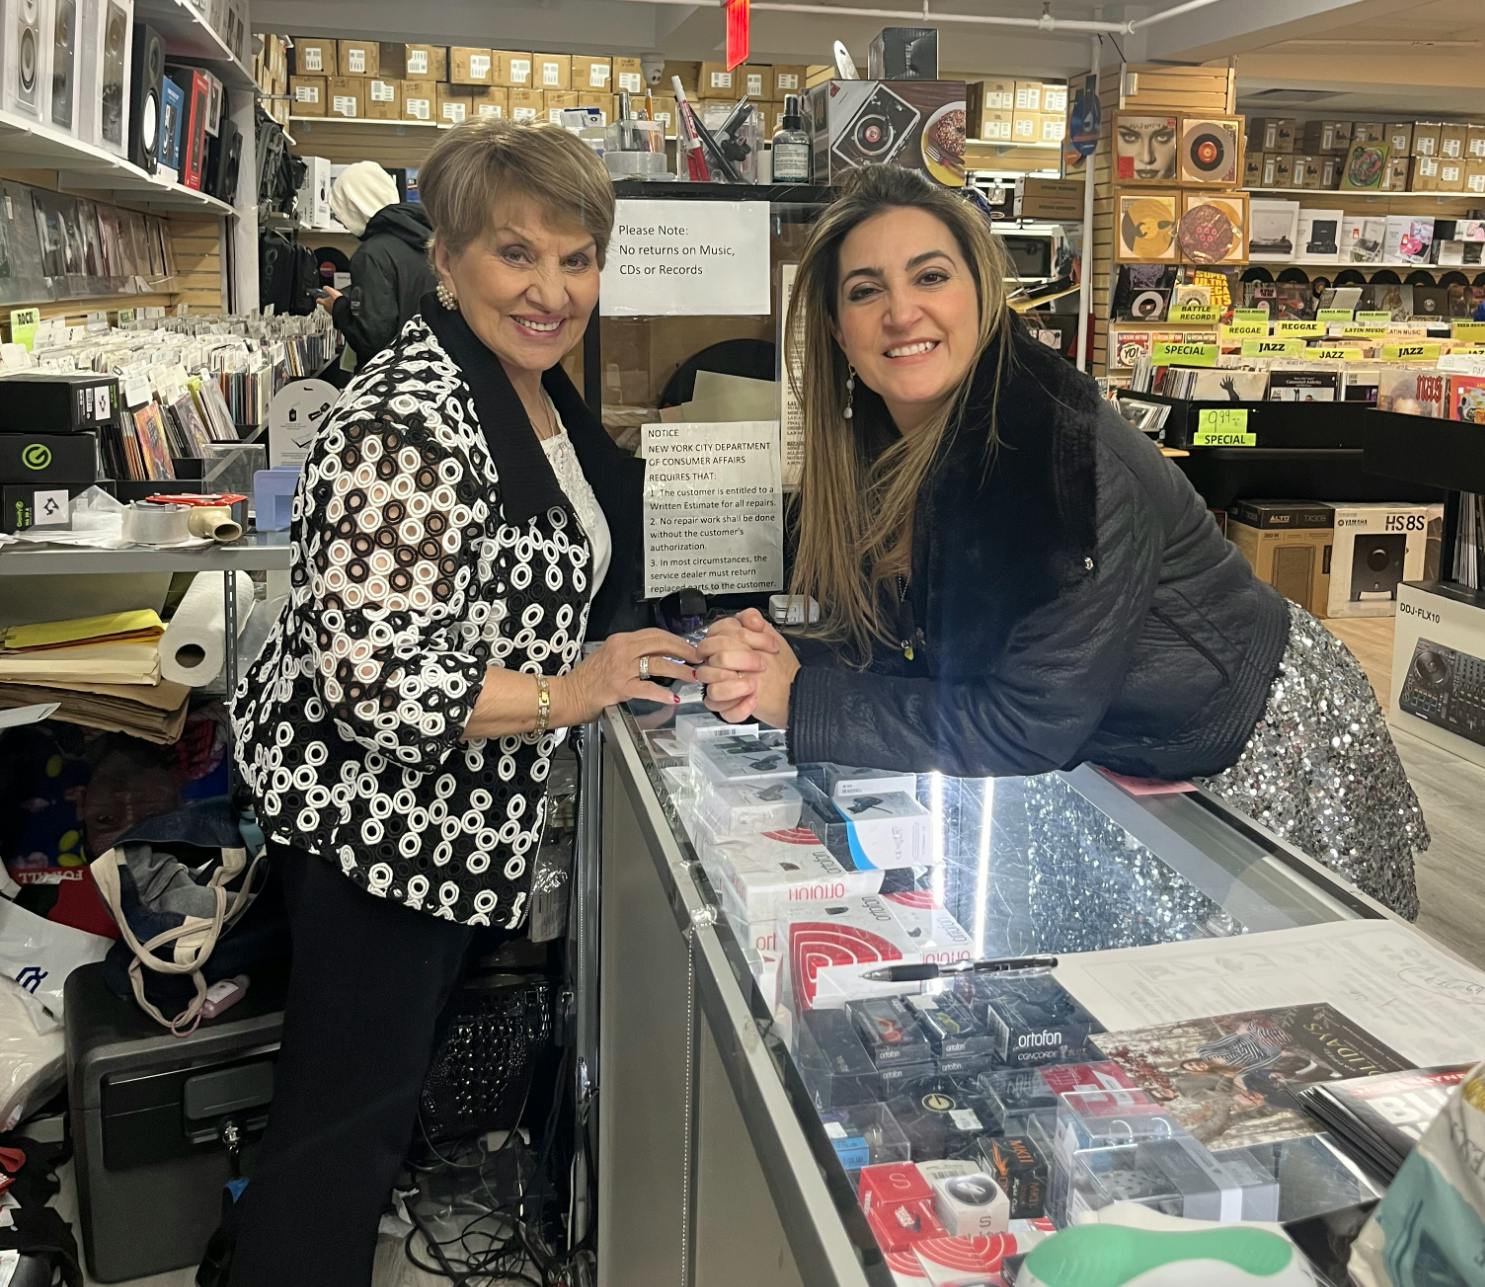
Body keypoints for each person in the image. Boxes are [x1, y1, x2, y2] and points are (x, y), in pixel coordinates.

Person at [695, 165, 1427, 920]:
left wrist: (803, 698)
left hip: (1265, 748)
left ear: (980, 296)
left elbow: (1025, 720)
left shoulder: (1058, 456)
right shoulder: (896, 439)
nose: (901, 311)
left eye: (930, 276)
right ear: (835, 330)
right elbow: (929, 646)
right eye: (865, 289)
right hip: (1123, 747)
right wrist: (786, 661)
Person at [227, 119, 699, 1286]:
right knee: (342, 1135)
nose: (552, 290)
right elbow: (377, 677)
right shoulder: (407, 420)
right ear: (445, 258)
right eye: (516, 254)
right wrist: (576, 688)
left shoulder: (528, 385)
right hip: (374, 836)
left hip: (440, 831)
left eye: (577, 258)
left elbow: (556, 562)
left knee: (359, 1117)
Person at [318, 160, 439, 368]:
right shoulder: (431, 238)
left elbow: (374, 340)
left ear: (353, 206)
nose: (344, 223)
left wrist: (338, 308)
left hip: (391, 381)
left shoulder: (371, 254)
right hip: (434, 374)